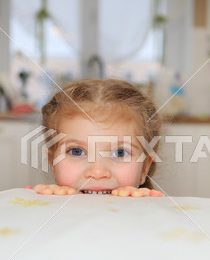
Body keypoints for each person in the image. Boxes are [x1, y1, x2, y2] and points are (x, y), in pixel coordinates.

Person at [27, 78, 164, 197]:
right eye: (76, 151)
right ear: (53, 163)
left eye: (120, 153)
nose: (97, 172)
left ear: (144, 168)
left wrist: (146, 211)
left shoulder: (150, 216)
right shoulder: (44, 210)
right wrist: (40, 207)